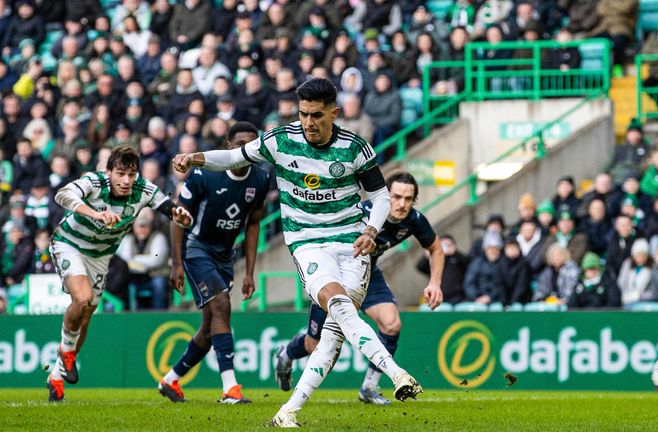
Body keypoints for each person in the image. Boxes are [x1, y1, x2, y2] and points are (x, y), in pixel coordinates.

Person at [171, 78, 422, 427]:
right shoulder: (280, 141)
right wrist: (193, 157)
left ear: (334, 113)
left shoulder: (354, 148)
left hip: (352, 242)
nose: (308, 123)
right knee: (338, 305)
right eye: (303, 114)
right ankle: (397, 374)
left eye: (317, 115)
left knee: (332, 337)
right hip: (307, 241)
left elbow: (380, 196)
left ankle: (287, 413)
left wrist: (370, 229)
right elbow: (232, 156)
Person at [274, 172, 444, 404]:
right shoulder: (361, 213)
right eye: (396, 197)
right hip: (336, 275)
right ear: (386, 195)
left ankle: (369, 387)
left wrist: (434, 283)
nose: (402, 204)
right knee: (314, 344)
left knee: (392, 324)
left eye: (408, 198)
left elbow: (435, 248)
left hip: (368, 275)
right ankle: (287, 354)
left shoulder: (413, 220)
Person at [46, 146, 193, 402]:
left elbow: (166, 206)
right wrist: (96, 213)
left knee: (87, 313)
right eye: (120, 173)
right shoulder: (94, 181)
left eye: (131, 174)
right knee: (82, 298)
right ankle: (67, 355)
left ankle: (57, 375)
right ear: (109, 172)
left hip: (101, 257)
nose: (126, 180)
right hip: (70, 244)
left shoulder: (143, 189)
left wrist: (179, 214)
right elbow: (63, 194)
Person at [158, 122, 269, 404]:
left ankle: (171, 379)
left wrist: (250, 272)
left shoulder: (261, 177)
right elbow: (178, 217)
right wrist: (176, 263)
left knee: (209, 327)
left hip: (226, 256)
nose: (247, 150)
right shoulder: (203, 173)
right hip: (197, 249)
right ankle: (230, 389)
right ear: (228, 146)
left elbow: (254, 224)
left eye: (252, 144)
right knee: (221, 305)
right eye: (240, 144)